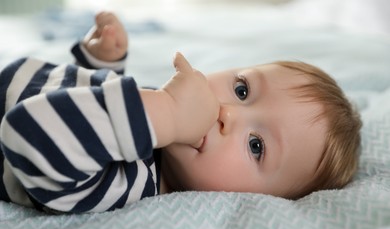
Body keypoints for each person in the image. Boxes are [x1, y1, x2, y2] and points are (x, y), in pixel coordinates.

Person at [0, 12, 361, 214]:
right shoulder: (154, 119)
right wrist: (102, 66)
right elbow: (96, 108)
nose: (227, 113)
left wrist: (168, 114)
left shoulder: (128, 185)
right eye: (242, 90)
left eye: (255, 146)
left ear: (256, 200)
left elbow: (29, 133)